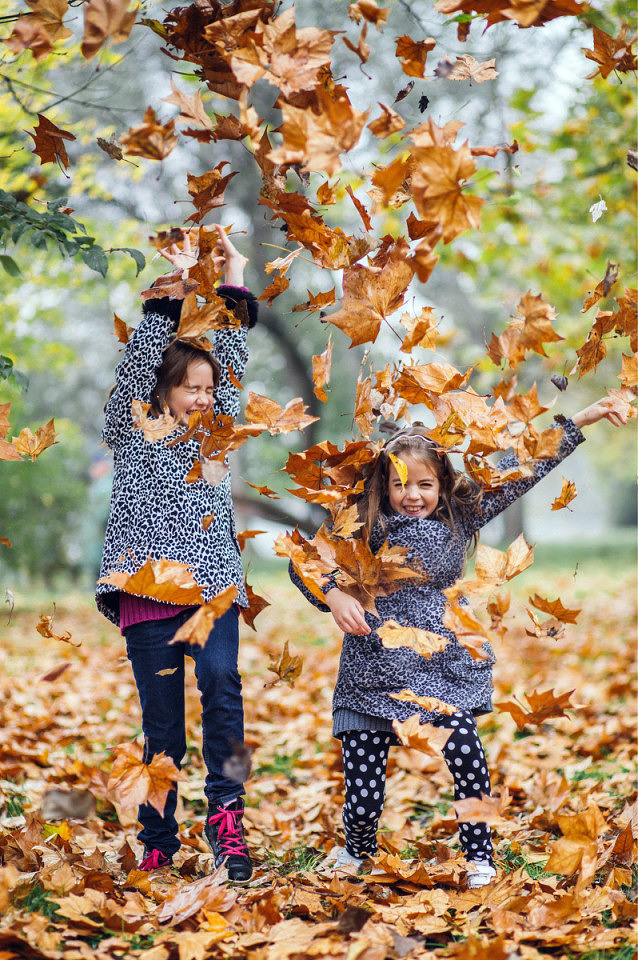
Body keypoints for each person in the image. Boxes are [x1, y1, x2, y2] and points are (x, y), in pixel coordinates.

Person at [289, 398, 628, 888]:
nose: (412, 495)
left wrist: (583, 419)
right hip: (371, 675)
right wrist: (334, 592)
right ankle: (357, 848)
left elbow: (522, 467)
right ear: (383, 484)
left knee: (469, 761)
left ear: (441, 485)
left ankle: (479, 857)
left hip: (440, 671)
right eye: (401, 483)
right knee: (364, 797)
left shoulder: (457, 518)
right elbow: (306, 559)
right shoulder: (363, 523)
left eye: (425, 484)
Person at [96, 226, 258, 881]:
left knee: (224, 693)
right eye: (190, 386)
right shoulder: (131, 431)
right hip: (145, 592)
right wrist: (170, 292)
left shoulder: (217, 435)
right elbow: (136, 364)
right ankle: (158, 834)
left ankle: (228, 821)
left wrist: (235, 277)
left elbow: (237, 365)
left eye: (207, 388)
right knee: (161, 724)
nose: (203, 397)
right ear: (163, 389)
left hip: (212, 588)